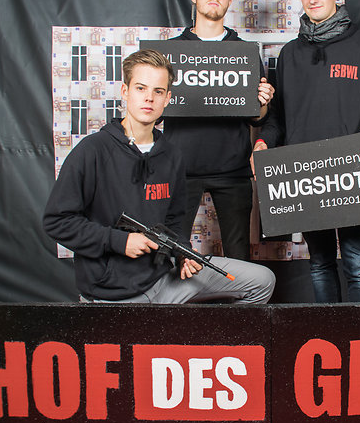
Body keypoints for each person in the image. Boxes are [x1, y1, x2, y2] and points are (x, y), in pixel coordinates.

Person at [43, 49, 275, 304]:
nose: (149, 98)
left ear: (167, 99)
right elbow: (57, 221)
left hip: (165, 281)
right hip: (112, 296)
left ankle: (207, 331)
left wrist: (184, 254)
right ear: (125, 92)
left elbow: (174, 222)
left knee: (262, 280)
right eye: (141, 88)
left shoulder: (172, 155)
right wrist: (119, 241)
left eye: (158, 91)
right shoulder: (92, 151)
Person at [253, 0, 360, 303]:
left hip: (352, 170)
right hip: (306, 175)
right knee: (320, 264)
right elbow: (278, 116)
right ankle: (328, 333)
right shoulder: (289, 54)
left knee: (359, 264)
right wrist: (263, 142)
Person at [162, 0, 275, 261]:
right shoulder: (169, 53)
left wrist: (263, 102)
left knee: (239, 258)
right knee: (171, 254)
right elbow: (155, 111)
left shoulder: (244, 52)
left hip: (233, 169)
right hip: (179, 168)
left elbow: (258, 118)